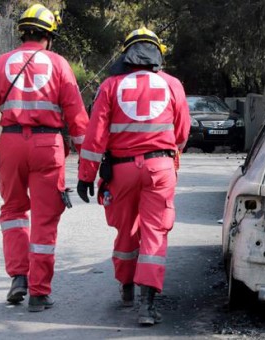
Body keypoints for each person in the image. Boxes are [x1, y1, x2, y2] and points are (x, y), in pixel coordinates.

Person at [0, 4, 89, 312]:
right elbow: (77, 117)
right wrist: (90, 162)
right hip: (46, 146)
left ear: (21, 32)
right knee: (44, 217)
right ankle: (39, 292)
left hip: (10, 143)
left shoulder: (2, 63)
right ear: (48, 36)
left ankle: (18, 277)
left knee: (12, 211)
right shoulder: (59, 64)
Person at [77, 27, 190, 326]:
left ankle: (127, 288)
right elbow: (182, 133)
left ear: (126, 54)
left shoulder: (110, 85)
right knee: (155, 232)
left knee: (126, 231)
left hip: (121, 171)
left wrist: (86, 176)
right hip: (159, 170)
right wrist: (168, 155)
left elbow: (95, 135)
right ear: (157, 54)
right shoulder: (172, 85)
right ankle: (148, 304)